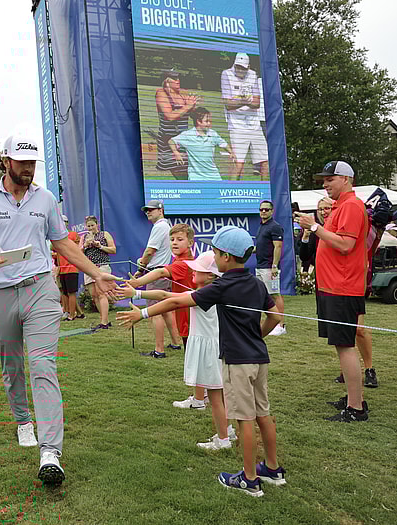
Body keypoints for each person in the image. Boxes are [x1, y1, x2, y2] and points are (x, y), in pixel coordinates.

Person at [0, 135, 117, 485]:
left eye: (32, 162)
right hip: (0, 293)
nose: (28, 168)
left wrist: (97, 274)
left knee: (43, 364)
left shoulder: (45, 199)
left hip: (40, 290)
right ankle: (22, 420)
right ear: (5, 161)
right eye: (21, 162)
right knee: (12, 365)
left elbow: (62, 243)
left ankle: (50, 452)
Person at [117, 225, 286, 497]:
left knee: (244, 420)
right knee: (263, 413)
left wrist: (142, 314)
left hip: (238, 361)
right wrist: (258, 336)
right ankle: (273, 469)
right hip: (259, 358)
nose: (214, 257)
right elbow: (275, 316)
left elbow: (175, 303)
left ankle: (249, 479)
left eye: (217, 253)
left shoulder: (221, 286)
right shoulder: (256, 283)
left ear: (227, 257)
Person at [297, 161, 370, 422]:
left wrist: (315, 227)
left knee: (345, 345)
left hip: (342, 286)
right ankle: (355, 397)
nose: (325, 184)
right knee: (341, 346)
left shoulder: (351, 205)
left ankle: (356, 409)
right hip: (333, 286)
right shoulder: (341, 206)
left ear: (346, 180)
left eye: (330, 179)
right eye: (324, 180)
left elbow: (345, 245)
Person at [124, 223, 195, 361]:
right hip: (186, 315)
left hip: (189, 316)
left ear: (190, 242)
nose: (174, 243)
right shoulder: (179, 260)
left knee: (192, 360)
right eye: (172, 239)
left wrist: (138, 283)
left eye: (180, 239)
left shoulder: (183, 263)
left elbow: (161, 272)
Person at [137, 200, 183, 354]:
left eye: (152, 210)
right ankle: (176, 342)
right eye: (147, 210)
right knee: (165, 311)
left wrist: (140, 267)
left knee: (154, 312)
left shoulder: (160, 226)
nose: (148, 212)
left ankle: (159, 350)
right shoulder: (165, 226)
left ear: (160, 210)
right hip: (162, 272)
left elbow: (150, 251)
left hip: (157, 273)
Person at [220, 53, 269, 181]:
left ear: (248, 67)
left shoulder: (253, 75)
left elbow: (257, 103)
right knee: (238, 163)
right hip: (237, 126)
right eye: (238, 67)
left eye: (243, 68)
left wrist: (239, 101)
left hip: (254, 125)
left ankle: (265, 193)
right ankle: (233, 192)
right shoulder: (226, 74)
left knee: (265, 161)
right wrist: (246, 101)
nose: (240, 70)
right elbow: (227, 104)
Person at [169, 107, 235, 181]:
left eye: (210, 121)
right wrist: (176, 153)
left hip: (213, 176)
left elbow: (223, 143)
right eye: (206, 121)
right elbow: (171, 141)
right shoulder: (188, 135)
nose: (209, 124)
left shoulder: (212, 134)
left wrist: (231, 152)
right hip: (195, 177)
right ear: (198, 122)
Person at [155, 69, 199, 180]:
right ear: (167, 81)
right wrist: (187, 106)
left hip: (183, 139)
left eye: (178, 78)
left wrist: (193, 107)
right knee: (181, 173)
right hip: (168, 139)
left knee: (189, 172)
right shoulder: (161, 93)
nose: (177, 80)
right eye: (174, 78)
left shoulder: (183, 93)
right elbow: (169, 116)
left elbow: (191, 115)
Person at [79, 215, 116, 330]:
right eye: (88, 226)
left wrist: (100, 246)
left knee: (101, 293)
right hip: (88, 268)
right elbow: (78, 252)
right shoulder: (84, 237)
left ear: (97, 225)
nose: (90, 228)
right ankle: (104, 319)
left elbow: (113, 250)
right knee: (94, 295)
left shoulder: (105, 234)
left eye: (92, 225)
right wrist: (84, 246)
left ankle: (104, 322)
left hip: (102, 266)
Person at [255, 200, 286, 335]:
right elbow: (261, 246)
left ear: (272, 211)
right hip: (260, 266)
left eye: (266, 210)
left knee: (274, 295)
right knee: (262, 295)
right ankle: (269, 322)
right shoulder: (262, 226)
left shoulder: (275, 226)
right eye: (261, 209)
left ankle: (280, 325)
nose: (263, 211)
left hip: (269, 267)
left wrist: (274, 266)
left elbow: (278, 246)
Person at [55, 215, 81, 322]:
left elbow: (77, 249)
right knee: (64, 292)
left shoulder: (73, 234)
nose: (62, 224)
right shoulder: (57, 236)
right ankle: (68, 312)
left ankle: (72, 314)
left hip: (71, 267)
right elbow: (54, 249)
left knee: (71, 292)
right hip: (62, 268)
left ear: (67, 223)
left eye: (64, 221)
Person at [299, 197, 333, 274]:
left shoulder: (338, 227)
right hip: (321, 273)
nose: (323, 212)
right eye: (320, 209)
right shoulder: (316, 228)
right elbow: (305, 256)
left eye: (327, 208)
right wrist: (305, 237)